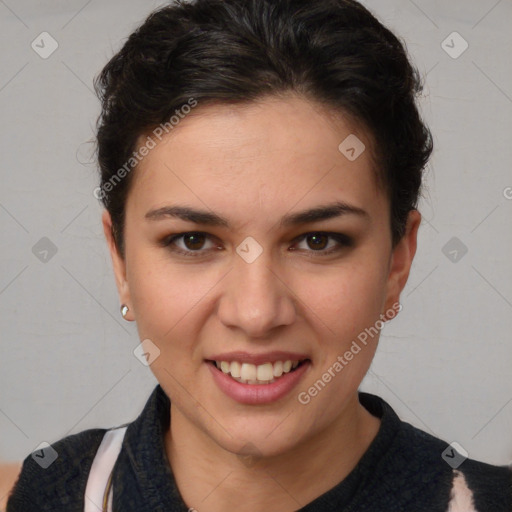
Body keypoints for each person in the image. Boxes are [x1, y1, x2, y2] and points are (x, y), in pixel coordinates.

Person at [6, 0, 511, 510]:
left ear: (397, 262)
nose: (255, 313)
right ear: (120, 261)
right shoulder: (47, 493)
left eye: (318, 241)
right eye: (193, 240)